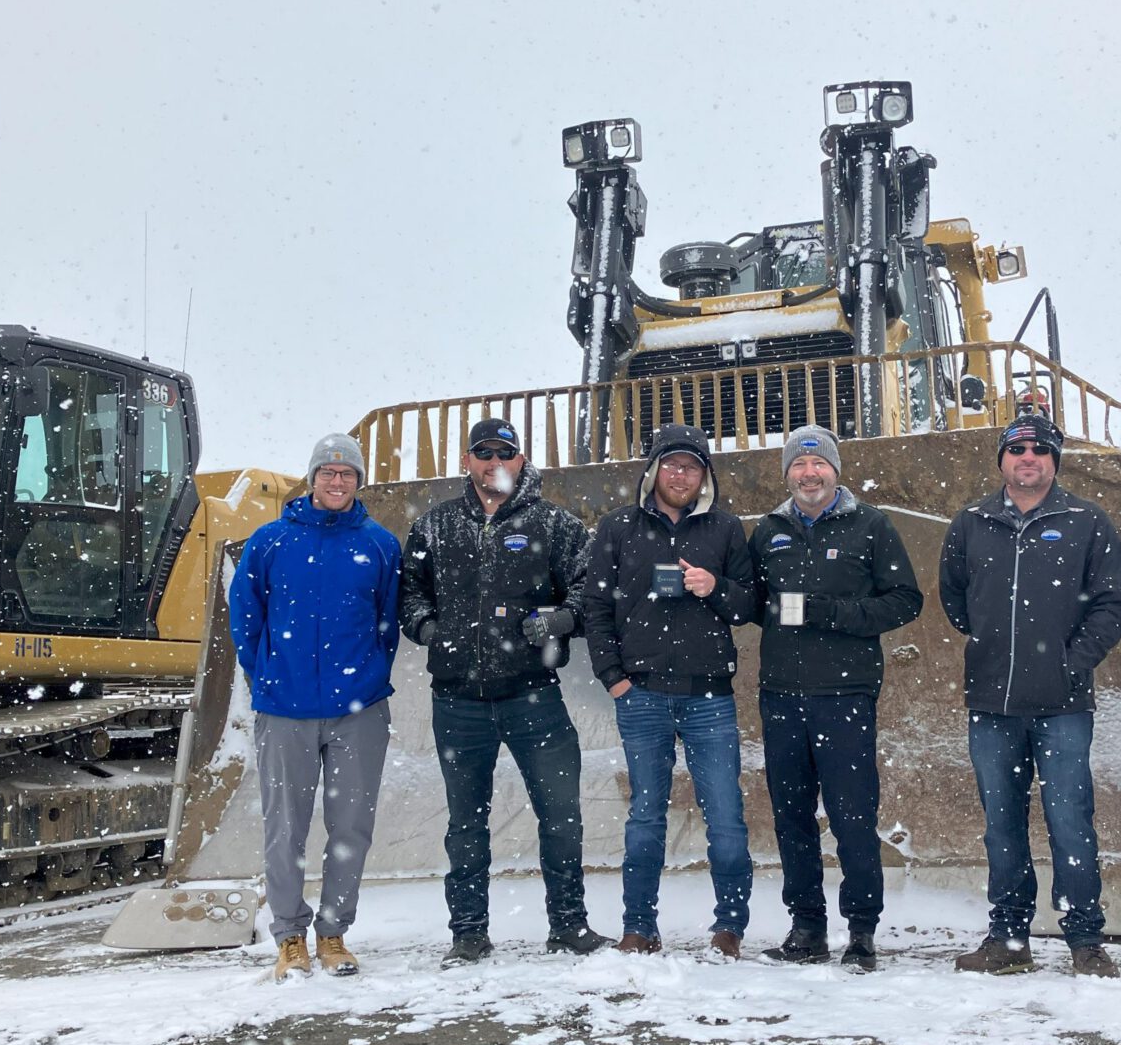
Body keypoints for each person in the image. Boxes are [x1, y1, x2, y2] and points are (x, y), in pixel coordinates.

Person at [398, 417, 608, 963]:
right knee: (465, 822)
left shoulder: (554, 524)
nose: (494, 463)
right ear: (466, 461)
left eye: (505, 454)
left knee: (560, 815)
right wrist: (428, 629)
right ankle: (468, 932)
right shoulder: (434, 527)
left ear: (521, 460)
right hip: (458, 703)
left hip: (534, 696)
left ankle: (568, 924)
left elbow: (591, 589)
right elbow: (410, 595)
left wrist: (561, 620)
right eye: (482, 453)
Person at [939, 414, 1121, 977]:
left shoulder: (1085, 521)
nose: (1029, 458)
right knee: (1001, 823)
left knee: (1070, 820)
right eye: (1018, 449)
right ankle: (1008, 938)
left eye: (1041, 450)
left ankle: (1085, 941)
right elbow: (955, 598)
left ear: (1055, 461)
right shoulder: (972, 522)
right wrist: (993, 642)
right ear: (1002, 459)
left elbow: (1115, 603)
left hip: (1063, 705)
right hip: (991, 703)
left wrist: (1070, 661)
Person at [749, 425, 923, 970]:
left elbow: (905, 601)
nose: (808, 474)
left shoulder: (870, 526)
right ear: (786, 474)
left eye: (818, 464)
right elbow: (755, 603)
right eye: (798, 466)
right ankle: (806, 925)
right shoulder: (768, 532)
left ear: (835, 470)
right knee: (791, 816)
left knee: (852, 815)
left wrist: (834, 613)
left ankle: (862, 930)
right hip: (780, 696)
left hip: (845, 695)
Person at [228, 433, 400, 983]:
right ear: (311, 478)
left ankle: (332, 934)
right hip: (285, 708)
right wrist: (268, 676)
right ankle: (289, 938)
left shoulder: (378, 544)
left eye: (347, 473)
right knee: (285, 828)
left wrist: (367, 675)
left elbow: (388, 624)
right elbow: (245, 617)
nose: (337, 481)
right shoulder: (270, 541)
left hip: (359, 708)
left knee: (351, 825)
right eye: (327, 472)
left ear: (358, 481)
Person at [583, 423, 756, 958]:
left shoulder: (726, 530)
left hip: (710, 696)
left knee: (725, 814)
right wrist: (614, 678)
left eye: (692, 466)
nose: (681, 475)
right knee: (645, 815)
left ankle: (729, 927)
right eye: (672, 464)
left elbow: (750, 606)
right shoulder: (618, 528)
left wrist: (715, 587)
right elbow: (596, 607)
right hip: (643, 695)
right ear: (653, 470)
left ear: (706, 474)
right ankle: (639, 926)